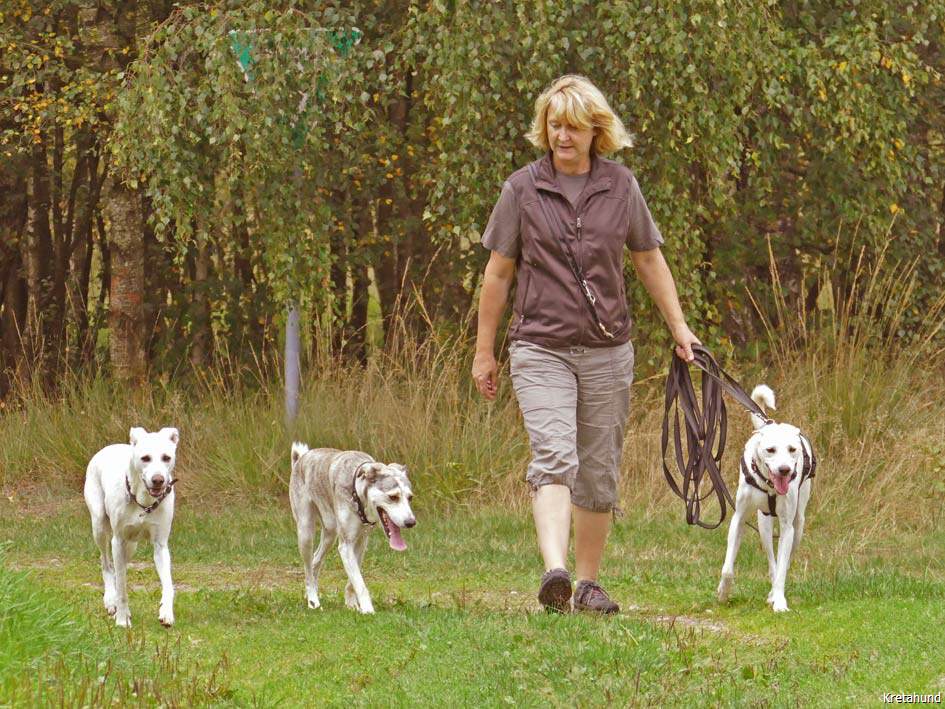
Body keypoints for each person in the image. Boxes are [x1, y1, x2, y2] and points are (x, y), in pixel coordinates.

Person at [472, 75, 700, 614]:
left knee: (597, 470)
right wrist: (484, 351)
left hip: (607, 350)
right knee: (555, 455)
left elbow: (648, 259)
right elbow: (498, 274)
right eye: (554, 125)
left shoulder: (621, 187)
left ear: (596, 131)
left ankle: (588, 584)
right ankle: (554, 573)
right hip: (540, 346)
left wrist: (680, 328)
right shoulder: (521, 189)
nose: (562, 136)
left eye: (573, 127)